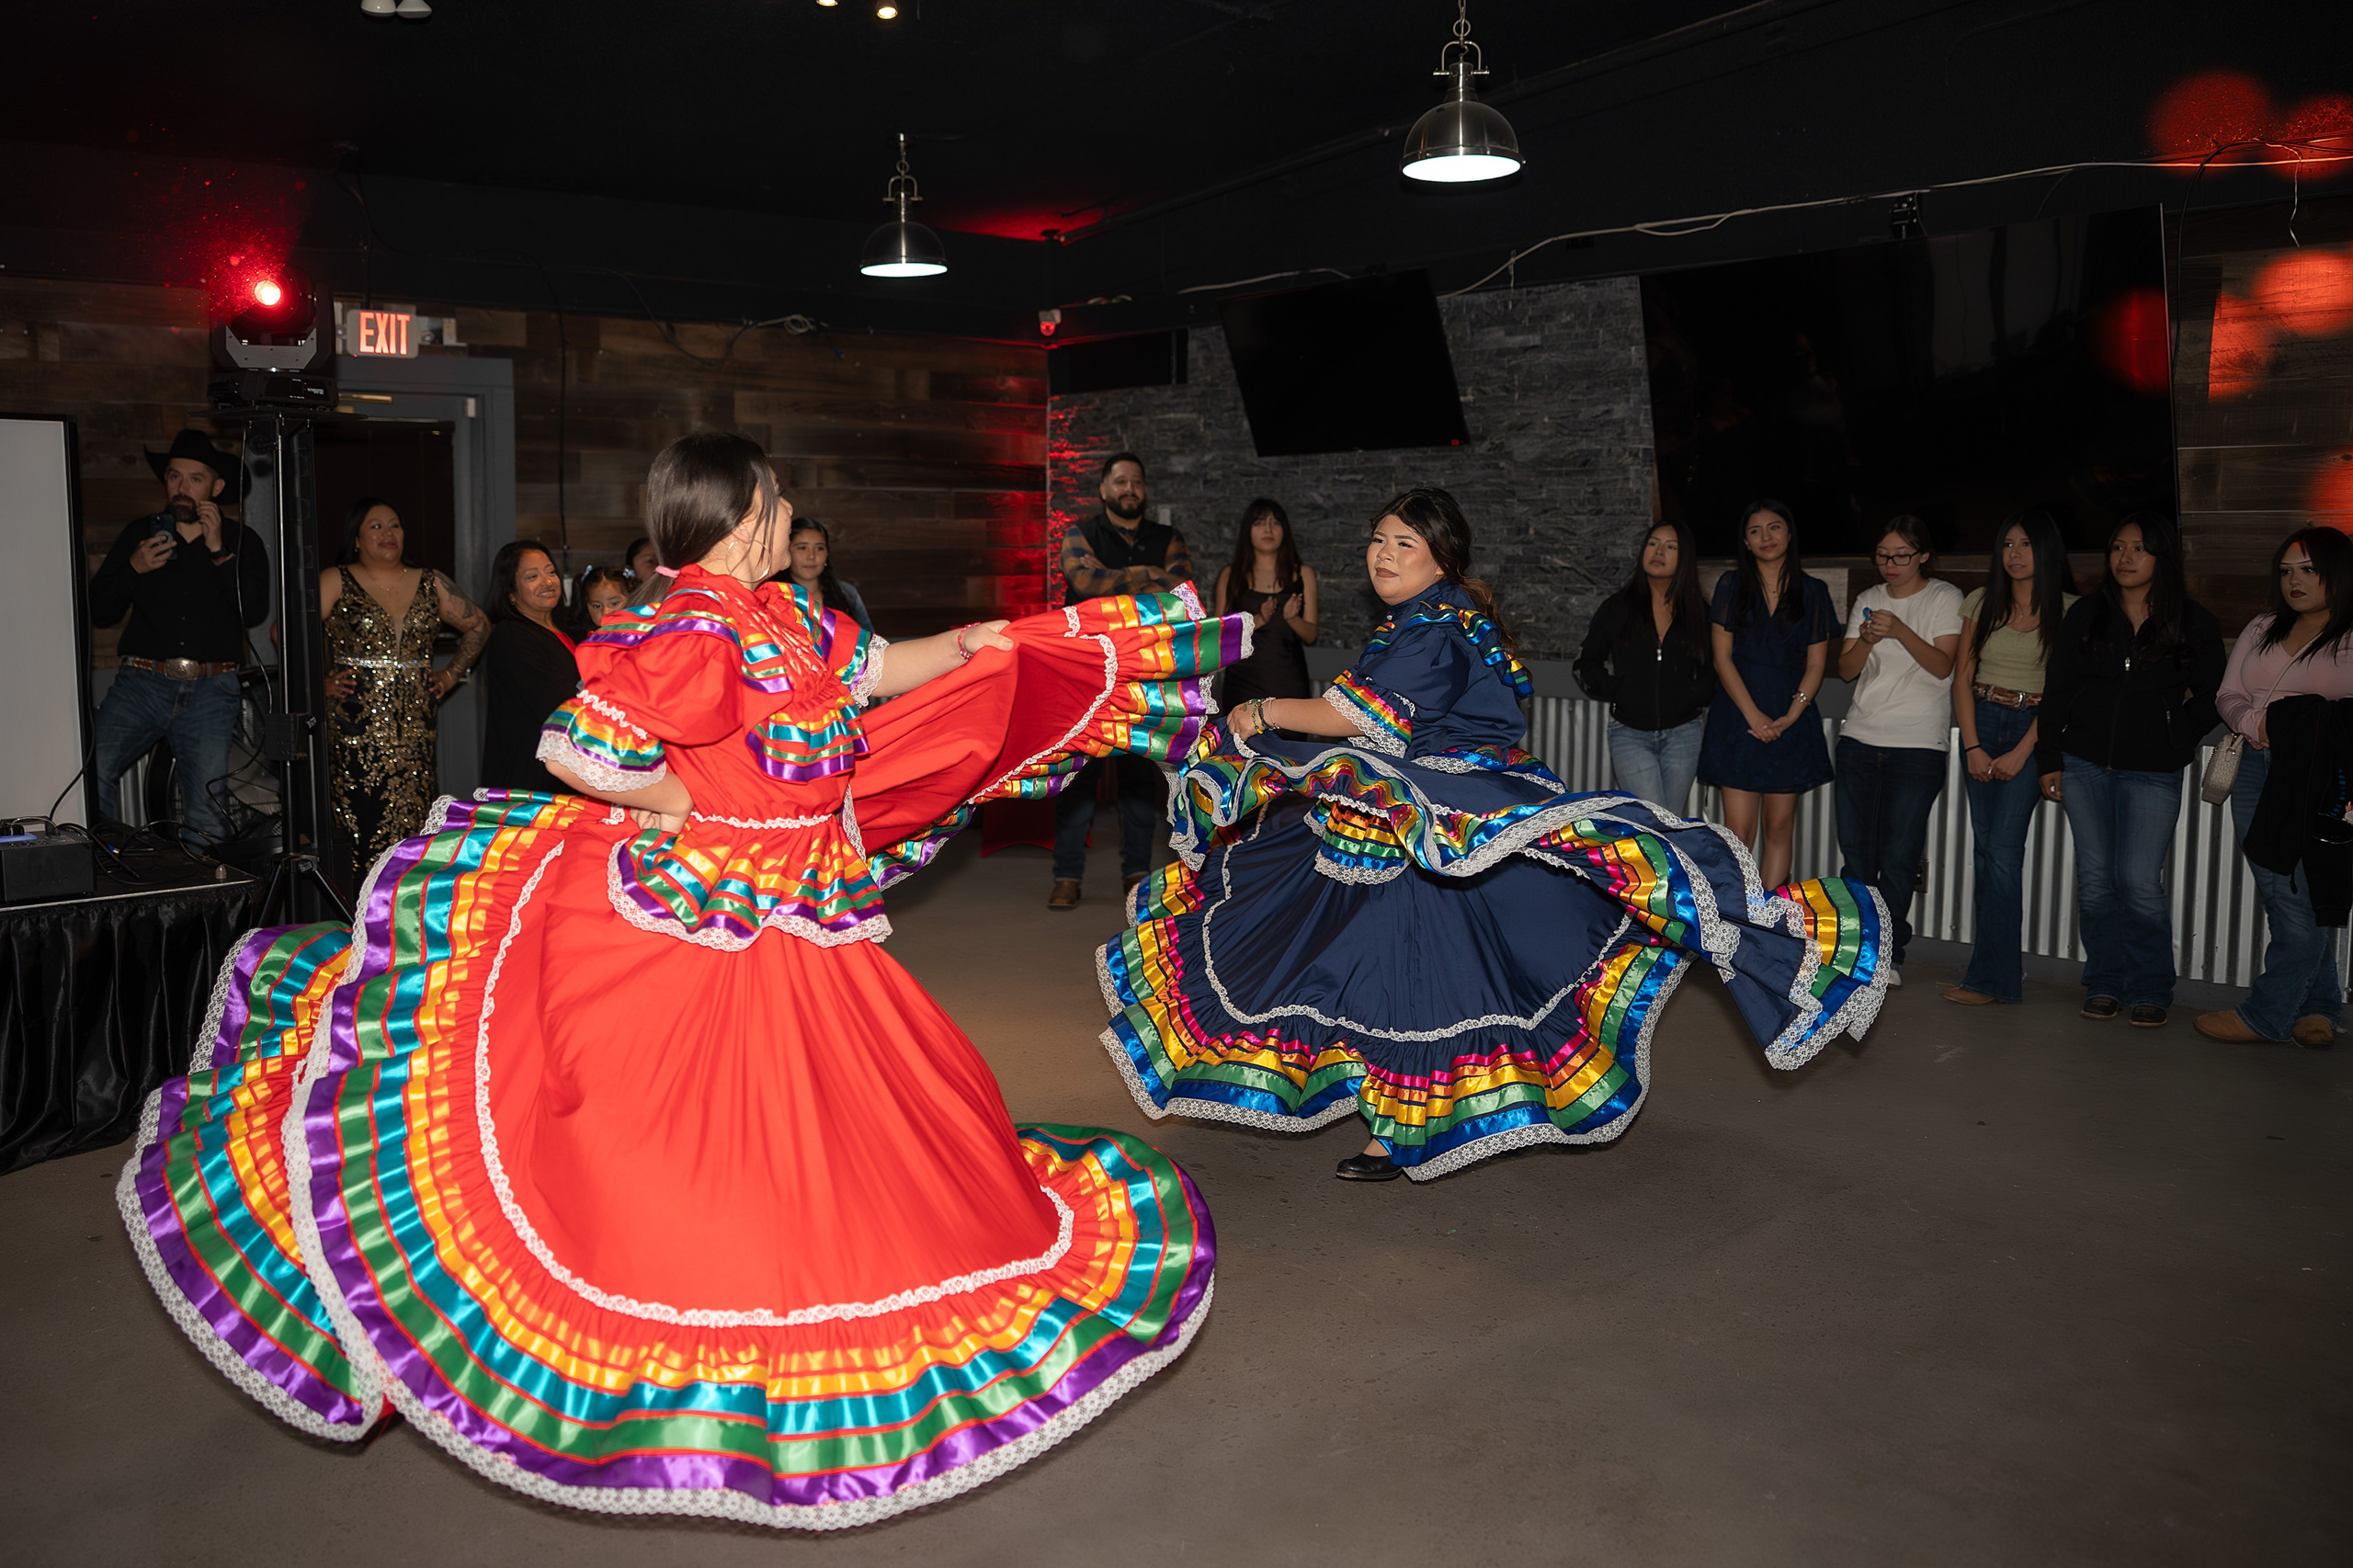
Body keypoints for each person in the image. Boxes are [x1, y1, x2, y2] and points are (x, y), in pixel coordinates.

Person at [119, 430, 1237, 1524]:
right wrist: (695, 809)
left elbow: (876, 667)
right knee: (672, 1118)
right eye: (776, 495)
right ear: (745, 509)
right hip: (720, 902)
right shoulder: (693, 621)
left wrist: (974, 643)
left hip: (804, 900)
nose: (787, 510)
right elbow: (580, 751)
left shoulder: (787, 613)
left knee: (851, 1103)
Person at [1099, 487, 1888, 1184]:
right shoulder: (1433, 620)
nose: (1383, 554)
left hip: (1436, 818)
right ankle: (1391, 1115)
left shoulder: (1434, 628)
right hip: (1410, 814)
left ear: (1440, 557)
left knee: (1410, 974)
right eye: (1378, 540)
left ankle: (1397, 1126)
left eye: (1403, 543)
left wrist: (1262, 712)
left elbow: (1355, 719)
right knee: (1373, 968)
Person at [2036, 514, 2226, 1028]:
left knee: (2140, 881)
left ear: (2162, 558)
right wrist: (2050, 757)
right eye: (2117, 547)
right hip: (2084, 763)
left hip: (2153, 771)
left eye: (2138, 549)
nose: (2125, 557)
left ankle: (2149, 987)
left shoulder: (2191, 621)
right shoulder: (2086, 616)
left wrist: (2178, 734)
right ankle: (2104, 983)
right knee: (2096, 881)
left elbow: (2215, 694)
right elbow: (2057, 689)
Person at [2196, 527, 2353, 1047]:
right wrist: (2251, 722)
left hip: (2319, 781)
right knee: (2282, 891)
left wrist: (2289, 725)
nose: (2294, 581)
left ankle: (2267, 1015)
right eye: (2286, 571)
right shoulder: (2263, 625)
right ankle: (2321, 1007)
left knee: (2298, 895)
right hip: (2254, 770)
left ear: (2338, 572)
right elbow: (2228, 692)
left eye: (2308, 569)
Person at [86, 430, 270, 849]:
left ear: (216, 488)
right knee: (90, 768)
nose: (181, 488)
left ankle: (203, 912)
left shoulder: (243, 541)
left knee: (206, 809)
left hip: (212, 689)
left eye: (194, 479)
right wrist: (132, 568)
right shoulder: (141, 535)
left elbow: (255, 610)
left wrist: (219, 551)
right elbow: (99, 610)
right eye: (173, 477)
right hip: (142, 684)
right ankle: (111, 877)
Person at [319, 497, 491, 889]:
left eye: (394, 525)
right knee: (358, 816)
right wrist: (320, 682)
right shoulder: (336, 578)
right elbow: (287, 631)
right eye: (376, 526)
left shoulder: (431, 580)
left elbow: (479, 625)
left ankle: (402, 902)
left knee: (414, 812)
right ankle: (355, 905)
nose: (388, 533)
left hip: (414, 725)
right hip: (353, 722)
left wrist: (451, 675)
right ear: (357, 539)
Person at [1942, 510, 2077, 1007]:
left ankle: (1992, 980)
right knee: (1986, 854)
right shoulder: (1983, 601)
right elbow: (1961, 678)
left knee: (2002, 854)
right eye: (2008, 545)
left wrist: (2027, 753)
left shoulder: (2071, 609)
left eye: (2026, 544)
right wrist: (1973, 745)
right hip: (1981, 717)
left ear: (2046, 551)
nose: (2015, 555)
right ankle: (1997, 972)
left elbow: (2063, 693)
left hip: (2032, 726)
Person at [1050, 451, 1195, 908]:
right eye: (1120, 481)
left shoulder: (1167, 537)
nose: (1128, 488)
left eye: (1136, 481)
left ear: (1144, 491)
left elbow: (1182, 590)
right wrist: (1149, 575)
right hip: (1087, 670)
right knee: (1079, 774)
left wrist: (1128, 579)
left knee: (1138, 775)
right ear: (1103, 490)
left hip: (1146, 671)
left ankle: (1137, 875)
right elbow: (1085, 579)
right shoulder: (1080, 534)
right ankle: (1067, 874)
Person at [1832, 517, 1964, 983]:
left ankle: (1889, 953)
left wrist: (1902, 631)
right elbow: (1846, 671)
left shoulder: (1945, 597)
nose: (1890, 565)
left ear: (1923, 555)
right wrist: (1867, 639)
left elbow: (1943, 666)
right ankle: (1857, 950)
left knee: (1901, 855)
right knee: (1857, 856)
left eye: (1901, 556)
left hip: (1917, 744)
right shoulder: (1868, 599)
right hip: (1860, 738)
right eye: (1883, 556)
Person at [1697, 499, 1838, 890]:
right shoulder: (1730, 585)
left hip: (1790, 718)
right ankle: (1739, 916)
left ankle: (1766, 918)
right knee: (1738, 834)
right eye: (1756, 531)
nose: (1766, 537)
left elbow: (1816, 666)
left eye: (1774, 527)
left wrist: (1790, 717)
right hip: (1739, 718)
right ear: (1745, 541)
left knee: (1779, 829)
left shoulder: (1813, 591)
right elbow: (1722, 659)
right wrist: (1753, 715)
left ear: (1789, 534)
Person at [1574, 519, 1712, 815]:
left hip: (1684, 733)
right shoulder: (1617, 607)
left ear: (1684, 557)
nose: (1658, 551)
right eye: (1653, 543)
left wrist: (1692, 695)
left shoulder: (1699, 612)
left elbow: (1715, 669)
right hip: (1629, 733)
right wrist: (1619, 691)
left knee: (1669, 821)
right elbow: (1586, 663)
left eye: (1670, 546)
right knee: (1651, 818)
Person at [477, 541, 580, 793]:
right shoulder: (512, 635)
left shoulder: (569, 630)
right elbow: (560, 705)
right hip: (532, 781)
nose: (547, 582)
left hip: (568, 769)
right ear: (510, 592)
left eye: (551, 572)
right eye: (532, 577)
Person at [1212, 497, 1317, 708]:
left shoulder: (1303, 573)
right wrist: (1258, 620)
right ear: (1247, 531)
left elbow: (1311, 634)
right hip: (1242, 683)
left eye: (1275, 523)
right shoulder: (1230, 575)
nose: (1268, 529)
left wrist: (1292, 619)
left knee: (1289, 738)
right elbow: (1219, 635)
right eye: (1260, 523)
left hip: (1288, 683)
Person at [780, 516, 871, 630]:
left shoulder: (847, 594)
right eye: (802, 548)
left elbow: (870, 641)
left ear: (827, 554)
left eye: (819, 548)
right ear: (786, 551)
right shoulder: (774, 595)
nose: (811, 556)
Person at [572, 563, 632, 631]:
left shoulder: (643, 635)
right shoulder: (590, 639)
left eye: (614, 604)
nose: (605, 613)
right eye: (597, 606)